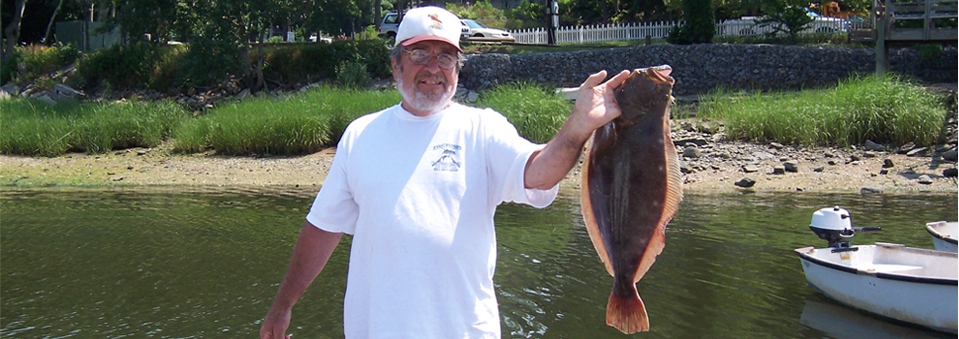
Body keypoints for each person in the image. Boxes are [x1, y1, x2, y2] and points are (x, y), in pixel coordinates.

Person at [260, 6, 630, 339]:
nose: (433, 68)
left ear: (457, 67)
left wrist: (579, 126)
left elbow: (540, 174)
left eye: (446, 57)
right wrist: (281, 307)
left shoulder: (483, 128)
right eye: (419, 53)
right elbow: (323, 228)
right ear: (395, 64)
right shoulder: (360, 135)